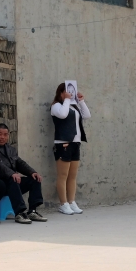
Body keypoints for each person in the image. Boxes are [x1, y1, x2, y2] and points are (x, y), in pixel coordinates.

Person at [0, 124, 47, 224]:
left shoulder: (11, 149)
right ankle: (19, 213)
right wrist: (12, 174)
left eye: (5, 134)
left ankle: (32, 211)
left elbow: (20, 163)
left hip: (13, 183)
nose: (2, 137)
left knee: (34, 179)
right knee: (13, 179)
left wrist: (32, 172)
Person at [50, 84, 90, 215]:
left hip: (75, 143)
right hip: (63, 144)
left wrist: (81, 101)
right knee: (63, 175)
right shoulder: (56, 106)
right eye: (67, 92)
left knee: (72, 176)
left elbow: (87, 115)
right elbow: (62, 115)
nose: (70, 94)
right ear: (61, 93)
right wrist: (67, 100)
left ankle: (72, 201)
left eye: (71, 92)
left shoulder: (73, 106)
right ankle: (63, 203)